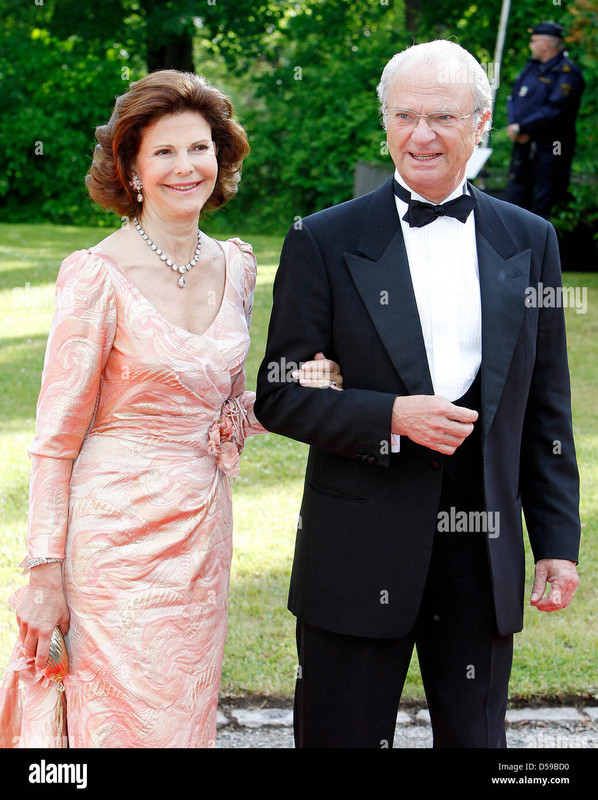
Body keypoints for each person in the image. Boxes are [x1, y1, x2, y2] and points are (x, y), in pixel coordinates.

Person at [254, 40, 581, 749]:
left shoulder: (531, 240)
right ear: (385, 121)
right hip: (356, 552)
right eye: (404, 116)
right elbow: (279, 393)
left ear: (482, 121)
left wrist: (557, 543)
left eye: (441, 116)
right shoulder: (324, 239)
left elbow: (546, 406)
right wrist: (389, 416)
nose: (421, 135)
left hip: (482, 555)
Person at [0, 69, 341, 748]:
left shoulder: (239, 267)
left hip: (202, 534)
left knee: (182, 719)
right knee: (115, 720)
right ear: (130, 168)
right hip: (112, 545)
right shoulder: (98, 274)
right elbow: (53, 443)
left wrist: (298, 389)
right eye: (163, 152)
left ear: (222, 158)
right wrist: (43, 575)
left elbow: (224, 410)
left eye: (199, 148)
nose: (186, 167)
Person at [505, 21, 585, 219]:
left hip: (551, 148)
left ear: (546, 44)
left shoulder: (567, 73)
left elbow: (556, 109)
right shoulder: (531, 67)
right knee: (515, 198)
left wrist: (523, 127)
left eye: (533, 41)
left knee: (545, 200)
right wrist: (515, 127)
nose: (530, 45)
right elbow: (513, 98)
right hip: (523, 145)